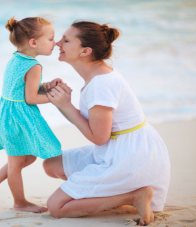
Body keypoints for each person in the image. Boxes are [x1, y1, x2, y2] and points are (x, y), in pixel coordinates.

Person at [43, 21, 170, 225]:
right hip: (122, 147)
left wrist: (67, 107)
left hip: (130, 158)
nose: (58, 43)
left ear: (85, 51)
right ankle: (107, 194)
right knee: (52, 166)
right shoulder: (96, 74)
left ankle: (132, 197)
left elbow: (99, 138)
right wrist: (61, 101)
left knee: (56, 206)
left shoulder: (101, 83)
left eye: (66, 40)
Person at [0, 16, 67, 213]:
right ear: (33, 43)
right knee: (17, 163)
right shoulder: (34, 66)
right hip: (19, 118)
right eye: (51, 39)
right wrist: (55, 96)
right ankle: (19, 202)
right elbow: (31, 98)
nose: (56, 43)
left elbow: (22, 89)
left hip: (8, 114)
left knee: (27, 158)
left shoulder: (16, 58)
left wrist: (46, 86)